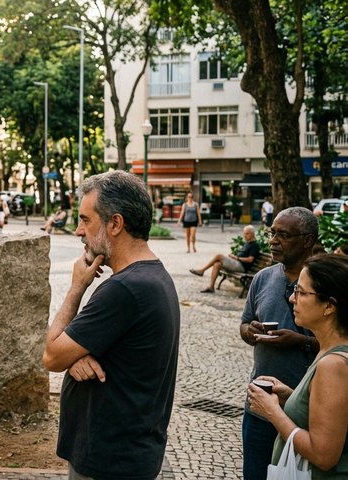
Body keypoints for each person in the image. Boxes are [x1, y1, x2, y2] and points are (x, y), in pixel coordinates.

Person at [42, 171, 180, 480]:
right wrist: (76, 354)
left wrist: (76, 287)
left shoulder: (125, 289)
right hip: (127, 453)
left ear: (115, 224)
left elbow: (51, 355)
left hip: (108, 461)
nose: (79, 230)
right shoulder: (153, 276)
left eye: (86, 220)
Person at [248, 254, 348, 477]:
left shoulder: (333, 365)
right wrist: (292, 397)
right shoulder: (330, 351)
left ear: (329, 306)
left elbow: (323, 456)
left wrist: (272, 411)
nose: (292, 299)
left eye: (301, 292)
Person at [238, 207, 320, 480]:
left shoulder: (325, 283)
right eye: (272, 233)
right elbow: (245, 324)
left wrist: (300, 341)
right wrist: (251, 331)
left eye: (283, 235)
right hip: (260, 407)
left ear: (307, 240)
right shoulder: (263, 277)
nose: (273, 241)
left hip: (305, 410)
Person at [189, 225, 261, 293]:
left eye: (247, 234)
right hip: (236, 263)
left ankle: (202, 270)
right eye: (244, 233)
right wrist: (233, 256)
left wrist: (236, 257)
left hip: (242, 267)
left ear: (252, 234)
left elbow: (250, 259)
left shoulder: (255, 245)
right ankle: (211, 287)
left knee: (219, 256)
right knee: (217, 264)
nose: (245, 235)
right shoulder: (247, 243)